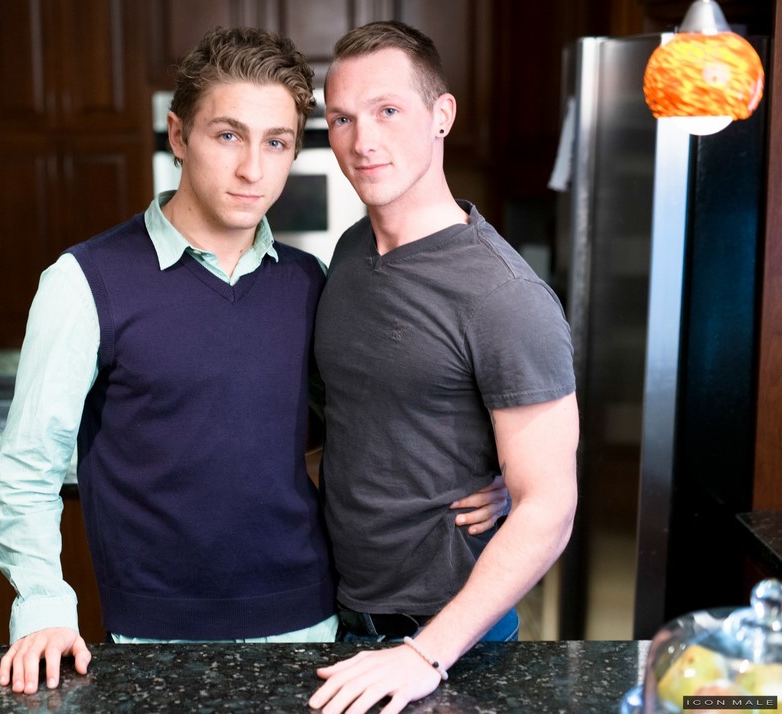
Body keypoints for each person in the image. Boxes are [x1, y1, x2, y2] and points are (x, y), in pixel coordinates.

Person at [0, 25, 508, 697]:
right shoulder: (85, 282)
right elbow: (26, 470)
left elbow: (369, 424)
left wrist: (485, 472)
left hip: (315, 626)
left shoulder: (309, 281)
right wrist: (44, 606)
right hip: (153, 635)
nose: (253, 170)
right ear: (178, 136)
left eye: (277, 143)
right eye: (228, 135)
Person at [308, 21, 579, 714]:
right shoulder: (350, 254)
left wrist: (426, 654)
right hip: (341, 617)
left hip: (452, 640)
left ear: (441, 115)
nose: (362, 141)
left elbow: (551, 504)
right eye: (342, 118)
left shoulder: (504, 296)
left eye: (388, 110)